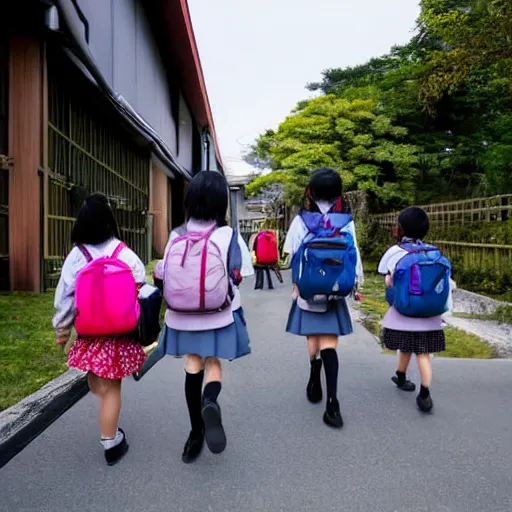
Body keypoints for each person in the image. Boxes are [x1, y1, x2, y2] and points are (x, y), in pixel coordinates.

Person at [155, 171, 253, 463]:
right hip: (219, 314)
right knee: (212, 363)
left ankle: (195, 433)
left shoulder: (177, 235)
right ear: (221, 202)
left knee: (192, 364)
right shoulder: (228, 236)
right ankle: (209, 401)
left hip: (181, 316)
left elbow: (163, 273)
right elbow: (240, 275)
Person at [53, 193, 146, 465]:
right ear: (109, 222)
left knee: (101, 383)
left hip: (90, 333)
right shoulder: (123, 252)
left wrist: (61, 329)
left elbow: (65, 296)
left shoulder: (76, 255)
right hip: (118, 333)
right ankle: (110, 441)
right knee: (111, 388)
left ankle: (110, 437)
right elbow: (139, 281)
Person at [283, 168, 363, 429]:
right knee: (330, 342)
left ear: (311, 191)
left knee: (312, 336)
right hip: (336, 289)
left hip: (308, 288)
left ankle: (313, 373)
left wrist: (296, 285)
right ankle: (332, 403)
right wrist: (357, 285)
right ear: (338, 193)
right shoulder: (345, 221)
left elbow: (291, 253)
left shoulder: (302, 221)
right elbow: (355, 256)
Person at [378, 206, 451, 413]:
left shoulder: (395, 251)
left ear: (400, 229)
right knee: (423, 353)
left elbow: (386, 277)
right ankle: (425, 393)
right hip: (430, 315)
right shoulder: (434, 252)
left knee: (405, 345)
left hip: (404, 311)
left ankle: (401, 376)